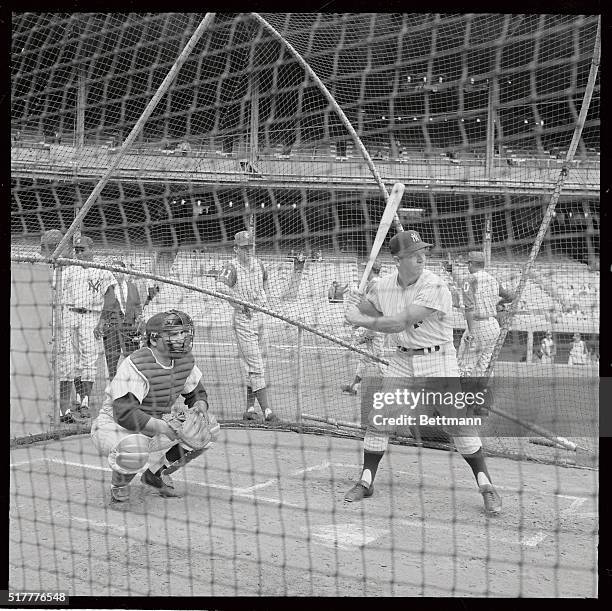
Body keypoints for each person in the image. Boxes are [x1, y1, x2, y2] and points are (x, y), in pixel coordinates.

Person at [343, 230, 501, 515]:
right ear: (397, 259)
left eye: (423, 252)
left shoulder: (435, 285)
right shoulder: (383, 285)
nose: (421, 257)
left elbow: (400, 322)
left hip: (438, 359)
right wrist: (353, 303)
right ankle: (366, 482)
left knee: (457, 423)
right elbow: (364, 312)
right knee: (380, 418)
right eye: (413, 254)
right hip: (402, 360)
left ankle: (487, 486)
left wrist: (360, 317)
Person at [91, 310, 216, 502]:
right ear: (154, 340)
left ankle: (155, 473)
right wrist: (165, 427)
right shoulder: (137, 364)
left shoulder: (183, 360)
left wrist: (200, 407)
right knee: (135, 448)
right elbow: (125, 413)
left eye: (183, 332)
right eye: (174, 334)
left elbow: (195, 393)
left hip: (154, 424)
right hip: (114, 426)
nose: (182, 338)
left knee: (207, 429)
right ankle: (119, 484)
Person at [216, 231, 279, 423]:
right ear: (236, 249)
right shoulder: (231, 266)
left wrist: (265, 300)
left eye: (249, 246)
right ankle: (267, 411)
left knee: (258, 365)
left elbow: (267, 282)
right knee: (256, 366)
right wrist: (239, 302)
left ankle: (250, 408)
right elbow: (220, 286)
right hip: (244, 319)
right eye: (243, 247)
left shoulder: (259, 264)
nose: (248, 250)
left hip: (260, 317)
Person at [58, 235, 116, 423]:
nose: (79, 252)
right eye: (77, 249)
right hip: (69, 312)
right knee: (67, 359)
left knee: (89, 359)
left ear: (92, 249)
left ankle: (85, 401)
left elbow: (110, 297)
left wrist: (102, 321)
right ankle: (66, 405)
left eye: (83, 249)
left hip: (92, 315)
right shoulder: (68, 269)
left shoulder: (103, 271)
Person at [458, 251, 514, 377]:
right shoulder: (493, 279)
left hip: (478, 325)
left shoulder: (470, 279)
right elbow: (511, 296)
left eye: (469, 263)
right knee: (483, 367)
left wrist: (471, 331)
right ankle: (484, 394)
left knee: (464, 366)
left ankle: (461, 395)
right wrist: (500, 302)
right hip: (493, 326)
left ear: (471, 264)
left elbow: (469, 307)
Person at [341, 260, 386, 395]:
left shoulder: (376, 285)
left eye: (365, 270)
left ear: (371, 270)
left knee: (379, 360)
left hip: (376, 328)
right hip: (372, 327)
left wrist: (366, 333)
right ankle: (354, 387)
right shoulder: (373, 284)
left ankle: (390, 388)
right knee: (366, 359)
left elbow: (375, 310)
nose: (363, 273)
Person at [98, 260, 144, 380]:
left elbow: (137, 305)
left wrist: (139, 317)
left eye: (119, 270)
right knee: (111, 362)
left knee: (132, 360)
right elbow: (104, 309)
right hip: (112, 328)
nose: (116, 273)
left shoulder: (132, 287)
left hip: (129, 328)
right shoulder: (107, 288)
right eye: (114, 271)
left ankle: (131, 388)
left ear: (124, 272)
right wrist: (101, 324)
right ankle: (111, 391)